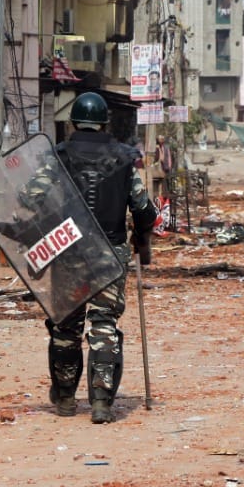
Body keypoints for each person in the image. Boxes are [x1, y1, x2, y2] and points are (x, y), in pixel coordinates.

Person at [48, 91, 157, 423]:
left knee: (65, 327)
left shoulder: (59, 155)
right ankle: (101, 403)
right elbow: (143, 209)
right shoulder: (124, 158)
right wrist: (142, 238)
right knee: (104, 326)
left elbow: (31, 196)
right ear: (105, 122)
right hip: (110, 256)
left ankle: (66, 400)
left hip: (67, 253)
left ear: (73, 122)